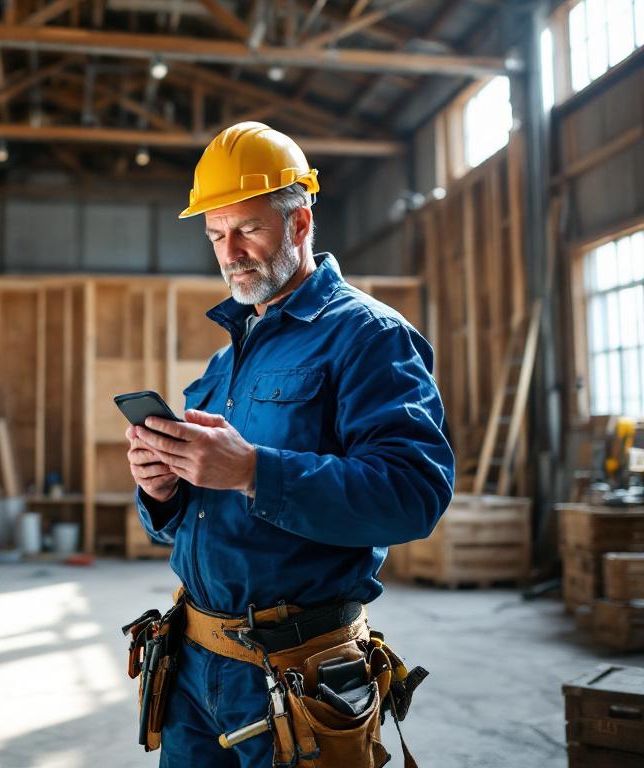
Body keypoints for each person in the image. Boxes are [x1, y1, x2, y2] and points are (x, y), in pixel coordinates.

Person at [124, 122, 455, 766]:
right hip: (192, 667)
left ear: (299, 222)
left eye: (247, 229)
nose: (230, 252)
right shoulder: (225, 362)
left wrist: (253, 470)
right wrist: (162, 489)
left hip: (298, 675)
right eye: (216, 235)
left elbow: (413, 496)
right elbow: (192, 521)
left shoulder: (369, 336)